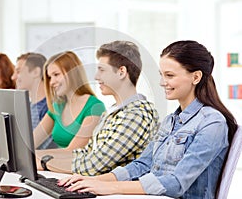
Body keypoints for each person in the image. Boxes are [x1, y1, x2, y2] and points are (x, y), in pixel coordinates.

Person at [58, 40, 238, 199]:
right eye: (161, 75)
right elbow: (142, 164)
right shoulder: (170, 121)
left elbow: (176, 183)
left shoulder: (212, 123)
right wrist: (92, 181)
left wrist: (109, 187)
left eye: (170, 75)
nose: (162, 82)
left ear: (196, 77)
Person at [35, 40, 159, 176]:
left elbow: (94, 164)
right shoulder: (113, 113)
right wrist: (39, 158)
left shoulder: (136, 115)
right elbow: (85, 152)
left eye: (102, 70)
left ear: (121, 72)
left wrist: (44, 162)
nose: (96, 76)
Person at [33, 51, 106, 150]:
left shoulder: (95, 107)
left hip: (74, 164)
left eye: (56, 74)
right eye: (50, 77)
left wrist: (39, 157)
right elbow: (31, 142)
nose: (51, 82)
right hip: (54, 163)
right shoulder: (58, 106)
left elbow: (71, 152)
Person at [12, 52, 56, 149]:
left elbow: (30, 147)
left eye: (18, 71)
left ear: (36, 72)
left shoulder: (50, 108)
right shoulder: (28, 106)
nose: (13, 77)